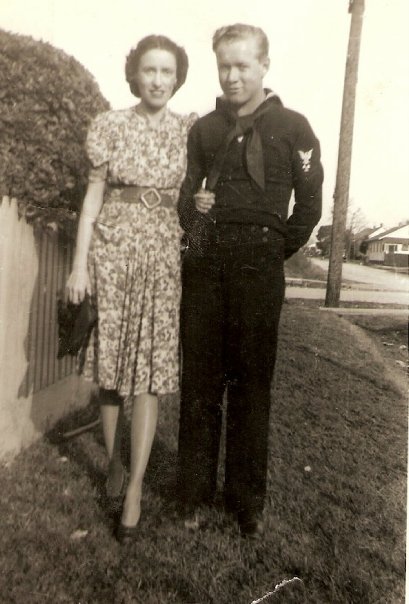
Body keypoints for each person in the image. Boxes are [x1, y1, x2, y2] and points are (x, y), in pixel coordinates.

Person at [177, 24, 323, 536]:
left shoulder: (295, 127)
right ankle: (192, 494)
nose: (233, 76)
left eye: (242, 65)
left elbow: (308, 206)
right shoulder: (204, 129)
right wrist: (193, 209)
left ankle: (246, 504)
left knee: (252, 385)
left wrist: (272, 248)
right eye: (224, 66)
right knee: (199, 381)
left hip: (259, 267)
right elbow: (182, 200)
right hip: (207, 264)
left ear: (264, 66)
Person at [66, 35, 196, 543]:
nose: (158, 80)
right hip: (113, 254)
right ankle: (114, 465)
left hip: (162, 258)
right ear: (135, 75)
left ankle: (135, 488)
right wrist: (79, 267)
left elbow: (197, 198)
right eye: (149, 70)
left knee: (148, 372)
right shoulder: (111, 127)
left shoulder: (189, 133)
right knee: (112, 366)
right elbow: (92, 202)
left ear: (177, 77)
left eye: (167, 71)